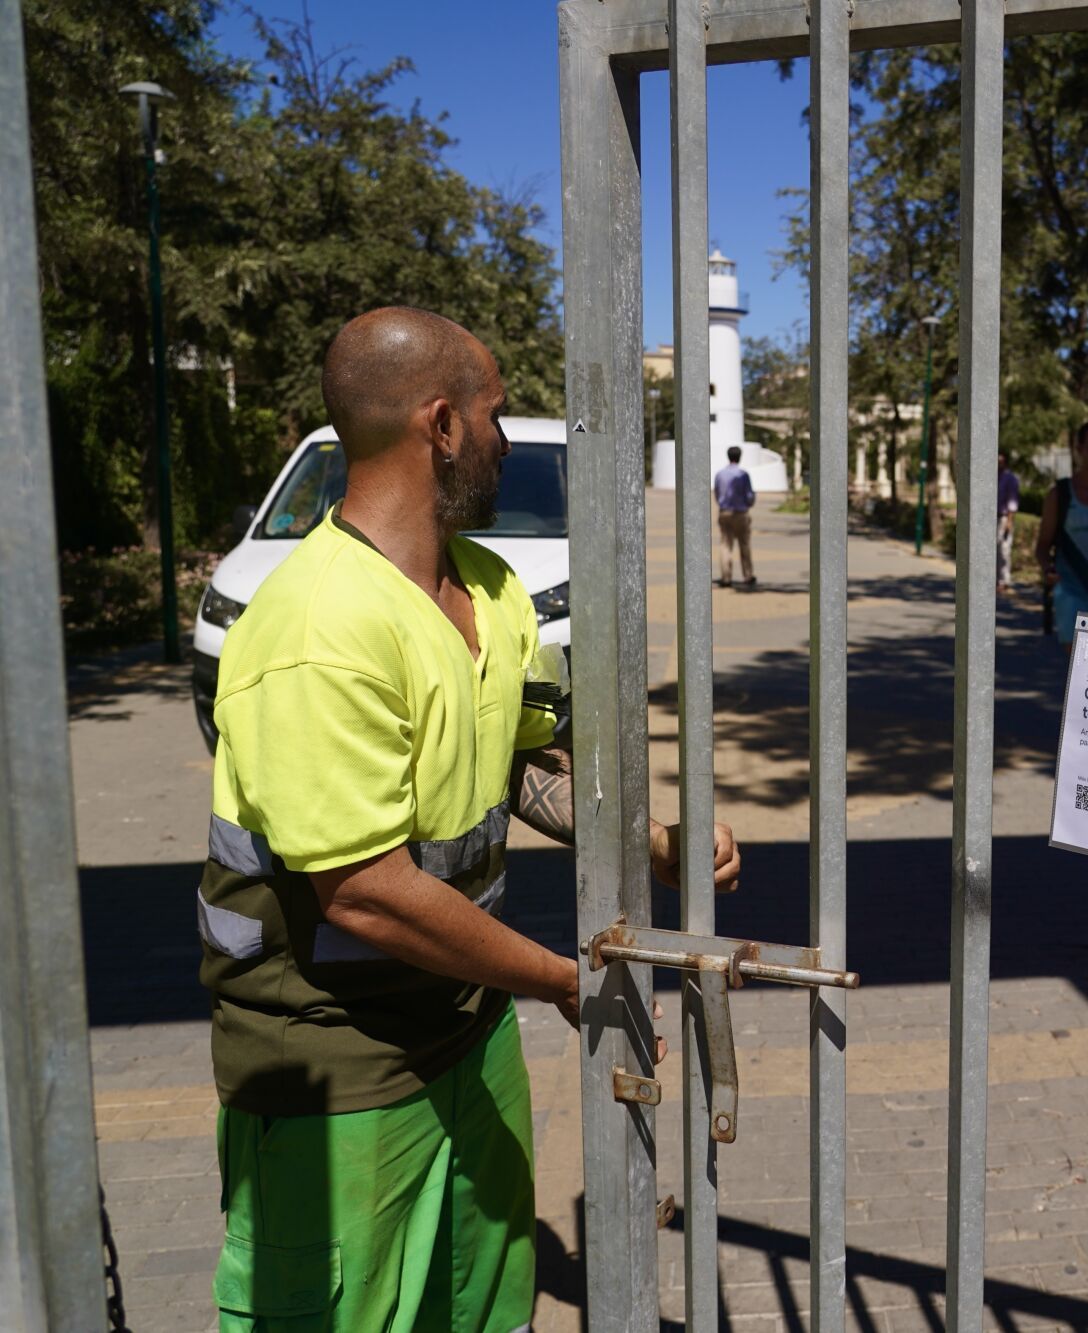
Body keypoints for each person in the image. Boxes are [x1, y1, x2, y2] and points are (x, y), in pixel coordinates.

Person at [200, 307, 742, 1332]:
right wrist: (565, 979)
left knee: (485, 1301)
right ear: (439, 424)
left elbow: (522, 762)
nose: (503, 437)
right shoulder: (317, 625)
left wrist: (652, 847)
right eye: (494, 414)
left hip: (465, 1027)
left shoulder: (491, 591)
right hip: (335, 1063)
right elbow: (363, 891)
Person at [1036, 420, 1088, 647]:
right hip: (1072, 596)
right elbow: (1043, 545)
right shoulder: (1060, 495)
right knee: (1080, 670)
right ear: (1079, 449)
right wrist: (1048, 570)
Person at [714, 444, 757, 588]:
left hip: (725, 511)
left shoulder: (720, 474)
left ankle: (726, 577)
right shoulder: (743, 475)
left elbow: (717, 493)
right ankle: (748, 575)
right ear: (740, 457)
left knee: (726, 545)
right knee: (744, 544)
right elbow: (749, 495)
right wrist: (749, 503)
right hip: (741, 512)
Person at [997, 453, 1022, 598]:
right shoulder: (992, 477)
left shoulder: (1010, 478)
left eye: (1001, 461)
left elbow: (1012, 501)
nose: (999, 464)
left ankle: (1004, 581)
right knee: (994, 551)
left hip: (1005, 518)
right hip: (992, 518)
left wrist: (1010, 521)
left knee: (1004, 550)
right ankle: (995, 580)